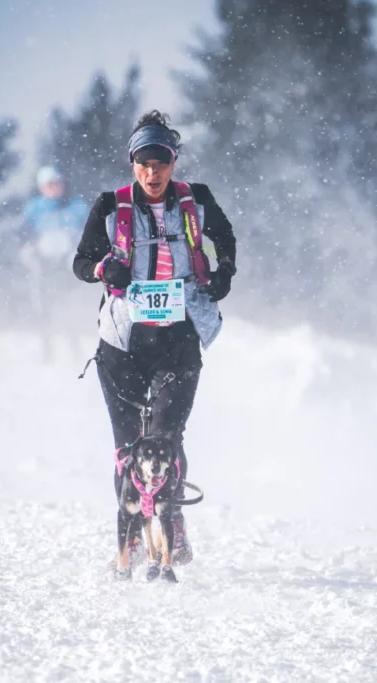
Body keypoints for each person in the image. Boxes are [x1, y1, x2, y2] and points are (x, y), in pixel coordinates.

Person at [72, 111, 237, 565]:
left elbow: (226, 239)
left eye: (161, 162)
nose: (152, 172)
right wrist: (107, 268)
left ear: (173, 162)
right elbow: (82, 263)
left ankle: (172, 525)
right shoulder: (110, 206)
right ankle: (129, 535)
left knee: (166, 437)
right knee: (128, 446)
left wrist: (224, 274)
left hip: (179, 339)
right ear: (132, 163)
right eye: (144, 163)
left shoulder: (196, 200)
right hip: (123, 342)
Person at [20, 166, 89, 358]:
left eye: (56, 184)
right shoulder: (34, 208)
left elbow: (89, 234)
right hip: (44, 264)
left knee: (71, 307)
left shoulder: (77, 207)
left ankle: (74, 346)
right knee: (44, 307)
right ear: (41, 187)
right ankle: (47, 349)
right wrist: (28, 250)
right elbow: (24, 234)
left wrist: (82, 254)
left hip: (68, 263)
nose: (53, 188)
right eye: (48, 185)